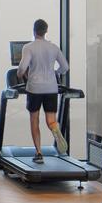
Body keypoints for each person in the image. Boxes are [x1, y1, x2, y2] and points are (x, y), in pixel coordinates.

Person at [16, 19, 69, 163]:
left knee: (34, 119)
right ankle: (55, 130)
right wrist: (55, 73)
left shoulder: (29, 47)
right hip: (51, 87)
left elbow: (22, 67)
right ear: (46, 31)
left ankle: (39, 153)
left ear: (34, 31)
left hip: (34, 87)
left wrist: (20, 75)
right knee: (51, 119)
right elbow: (65, 67)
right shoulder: (53, 47)